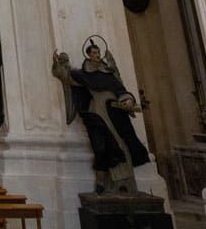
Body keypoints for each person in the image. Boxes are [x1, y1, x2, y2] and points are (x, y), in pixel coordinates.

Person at [52, 40, 149, 193]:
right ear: (89, 55)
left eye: (98, 53)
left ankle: (125, 184)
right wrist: (59, 64)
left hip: (115, 113)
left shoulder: (109, 74)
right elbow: (67, 77)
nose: (97, 56)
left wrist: (128, 100)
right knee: (103, 146)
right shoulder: (84, 75)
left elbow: (121, 90)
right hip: (98, 112)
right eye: (94, 53)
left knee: (122, 144)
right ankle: (105, 182)